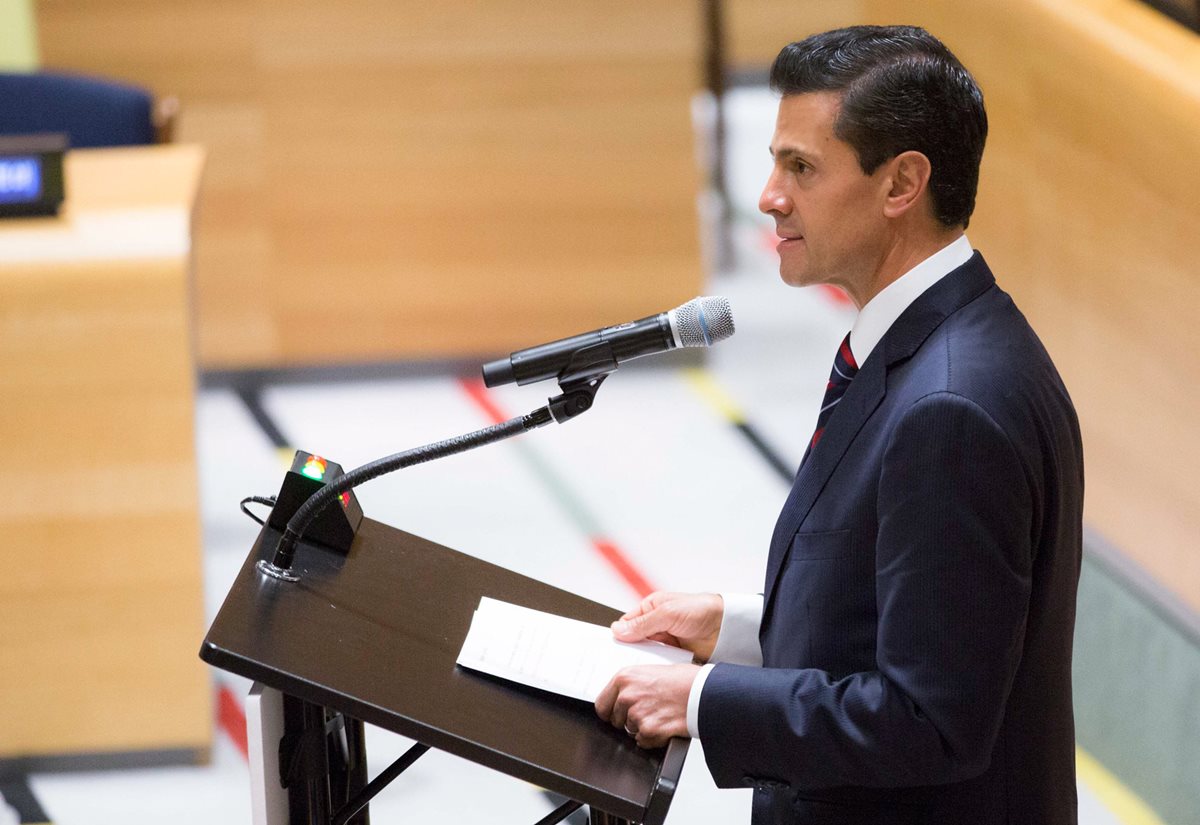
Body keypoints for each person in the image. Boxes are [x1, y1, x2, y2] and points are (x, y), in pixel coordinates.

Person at [594, 25, 1084, 825]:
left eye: (801, 168)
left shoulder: (951, 407)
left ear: (902, 184)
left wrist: (706, 699)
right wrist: (744, 628)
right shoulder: (938, 339)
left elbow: (929, 720)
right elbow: (902, 620)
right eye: (774, 162)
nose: (769, 197)